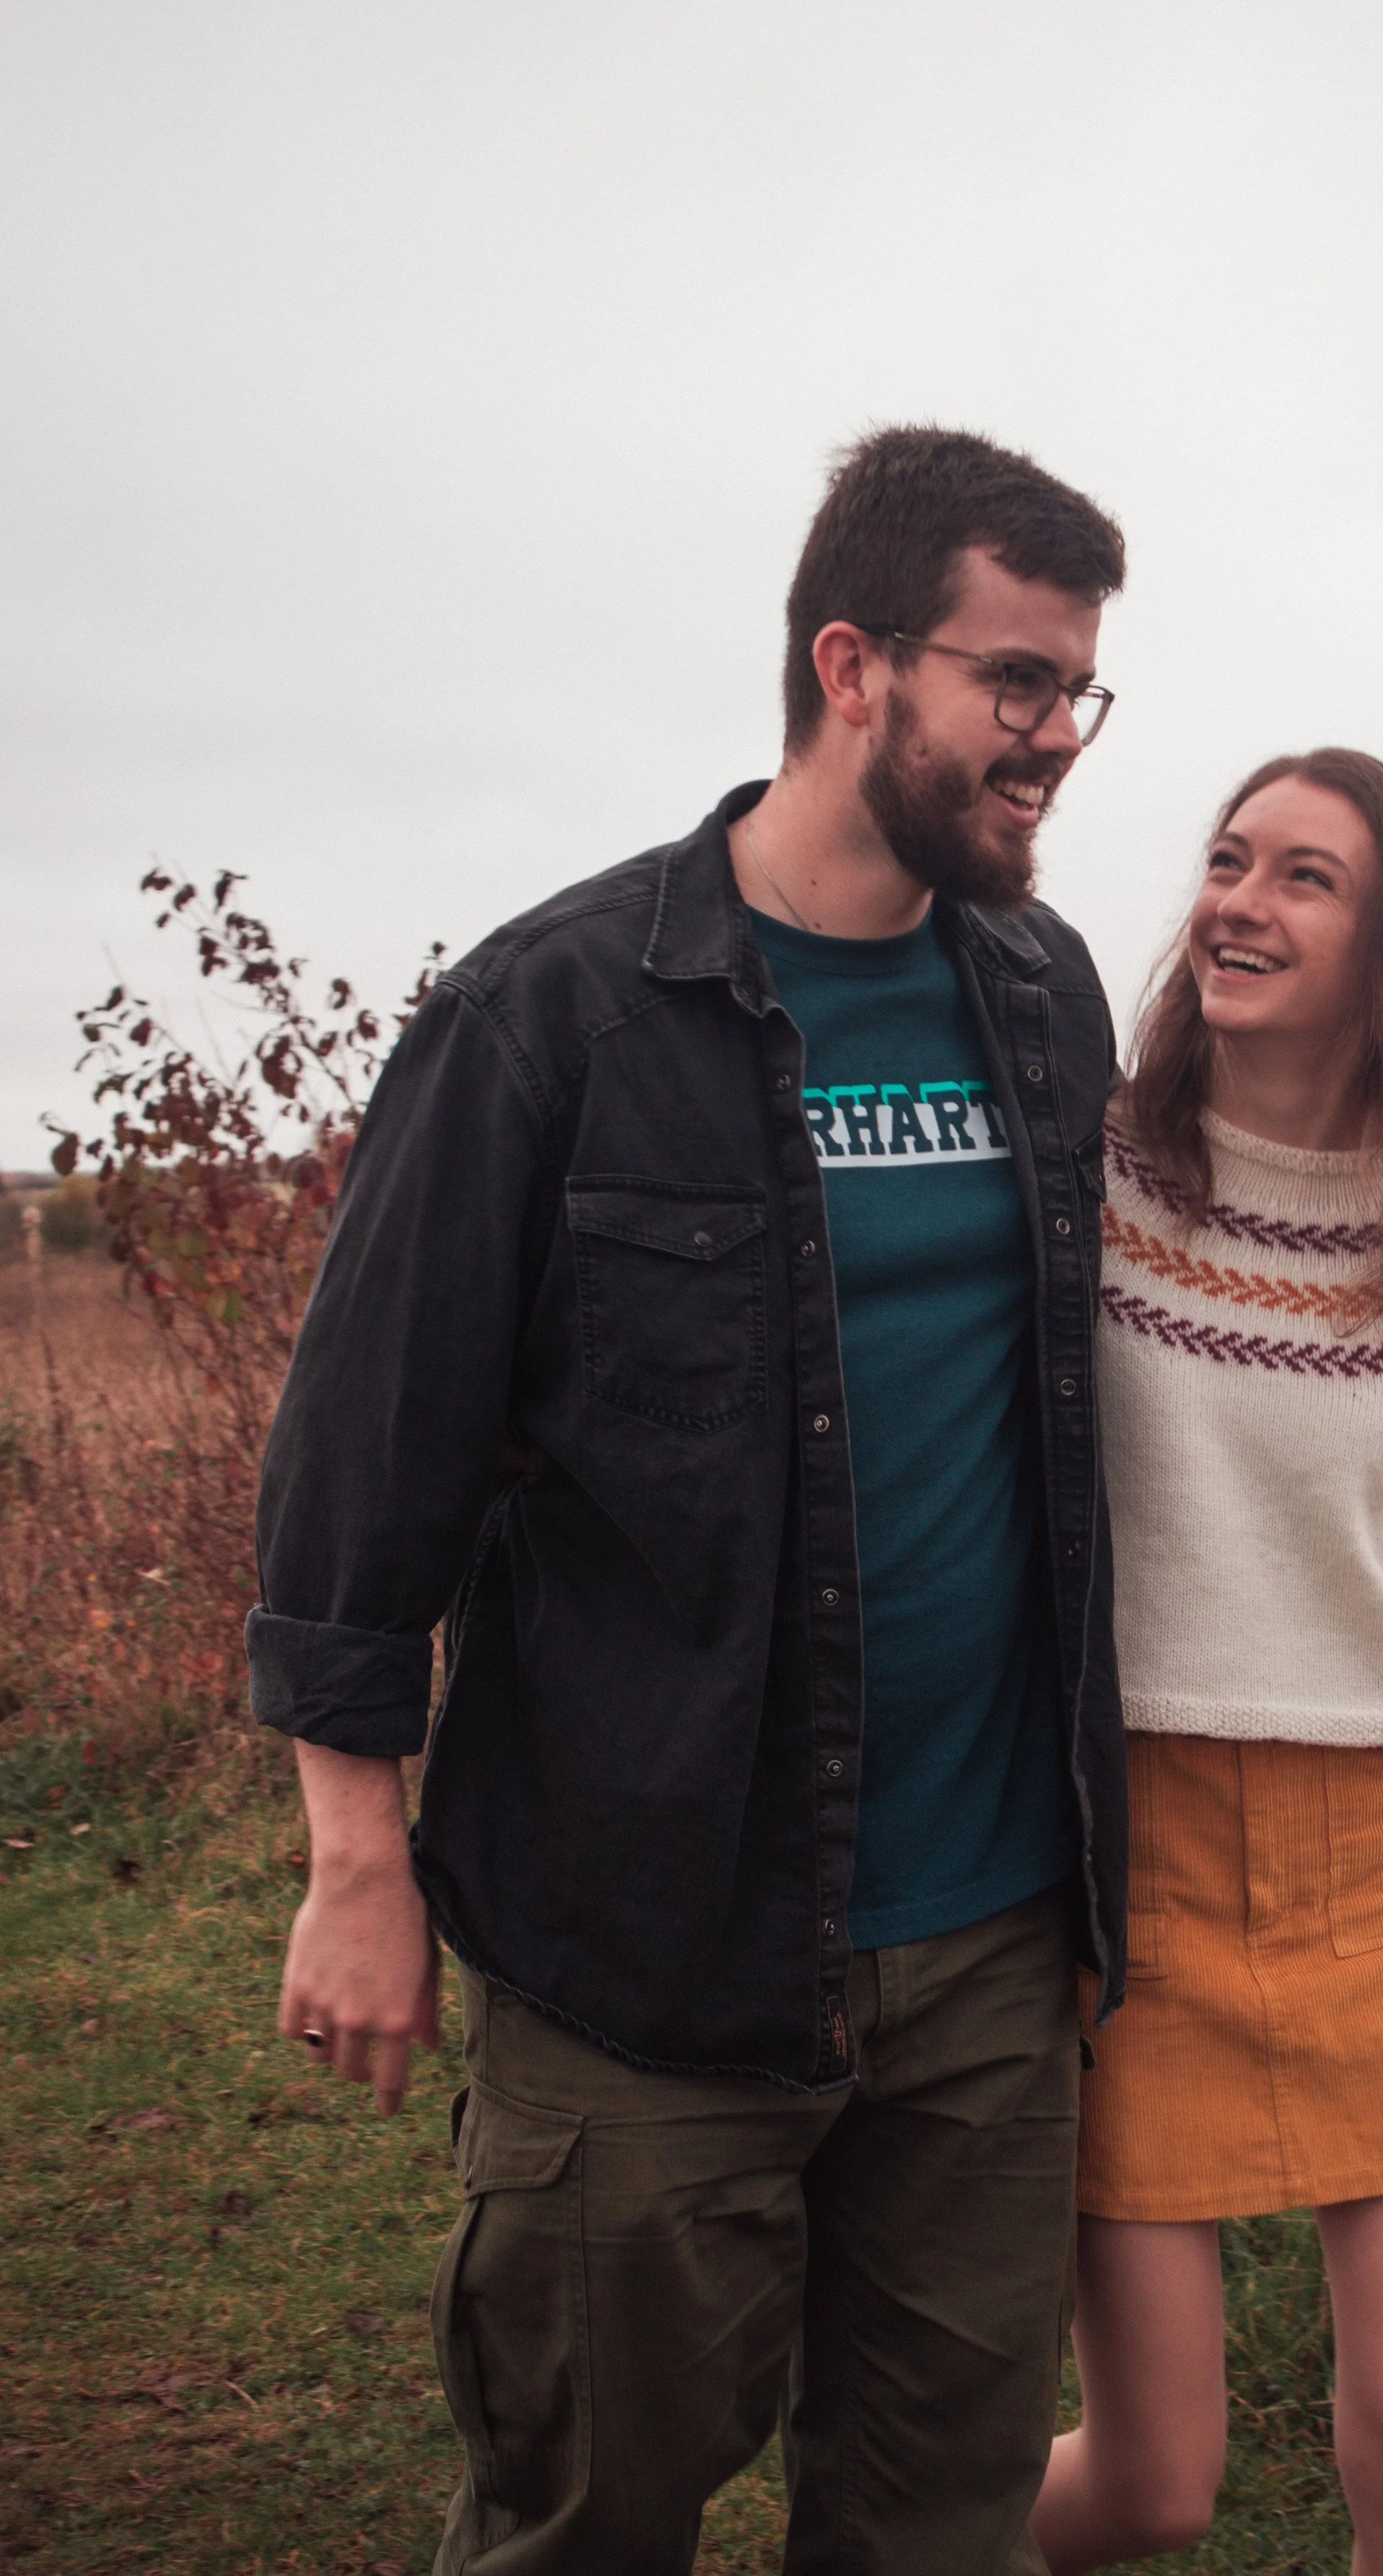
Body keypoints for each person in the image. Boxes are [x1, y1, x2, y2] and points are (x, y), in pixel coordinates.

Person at [250, 423, 1138, 2575]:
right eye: (1015, 681)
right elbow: (368, 1456)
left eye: (1079, 691)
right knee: (585, 2522)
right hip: (648, 1942)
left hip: (996, 1946)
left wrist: (1381, 1577)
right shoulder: (551, 1014)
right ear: (854, 664)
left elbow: (1123, 1387)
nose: (1055, 741)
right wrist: (356, 1853)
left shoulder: (1042, 997)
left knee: (931, 2530)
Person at [1031, 749, 1383, 2576]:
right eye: (1221, 861)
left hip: (1381, 1870)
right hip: (1139, 1869)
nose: (1235, 901)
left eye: (1300, 878)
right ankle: (890, 2540)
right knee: (1147, 2488)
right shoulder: (1085, 1181)